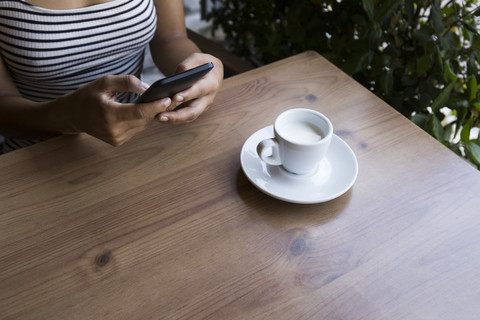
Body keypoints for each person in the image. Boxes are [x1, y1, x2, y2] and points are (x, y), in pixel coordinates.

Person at [0, 0, 223, 153]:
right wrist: (67, 117)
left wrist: (204, 67)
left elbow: (170, 37)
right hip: (33, 160)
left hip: (137, 141)